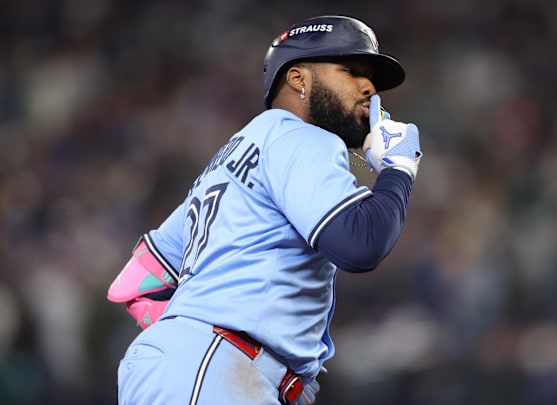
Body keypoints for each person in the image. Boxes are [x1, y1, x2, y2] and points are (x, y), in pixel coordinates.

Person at [108, 15, 422, 405]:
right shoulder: (300, 137)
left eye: (371, 77)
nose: (369, 87)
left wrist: (184, 331)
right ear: (298, 78)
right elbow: (362, 244)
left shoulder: (232, 157)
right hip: (214, 365)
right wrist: (398, 168)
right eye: (350, 70)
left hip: (192, 365)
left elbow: (140, 277)